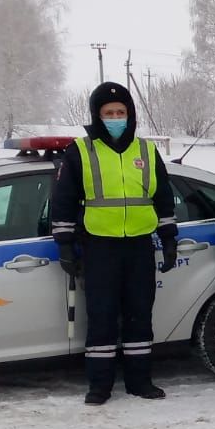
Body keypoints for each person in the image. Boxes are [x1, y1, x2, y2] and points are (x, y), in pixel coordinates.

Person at [50, 82, 179, 405]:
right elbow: (63, 200)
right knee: (102, 315)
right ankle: (100, 386)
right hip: (99, 246)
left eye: (121, 112)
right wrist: (65, 244)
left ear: (130, 114)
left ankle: (139, 381)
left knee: (139, 314)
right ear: (97, 115)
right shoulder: (81, 151)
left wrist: (169, 239)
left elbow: (163, 199)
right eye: (109, 113)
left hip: (139, 245)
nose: (115, 117)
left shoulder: (147, 151)